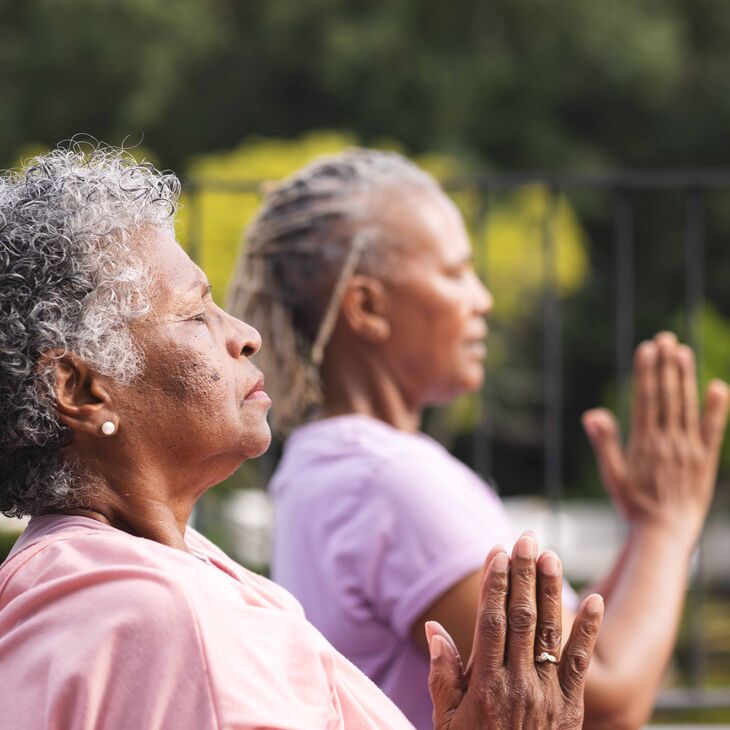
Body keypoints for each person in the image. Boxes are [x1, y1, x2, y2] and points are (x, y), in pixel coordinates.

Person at [0, 143, 603, 730]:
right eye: (195, 315)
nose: (244, 334)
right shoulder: (170, 617)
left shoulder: (88, 569)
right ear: (79, 389)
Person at [229, 148, 730, 730]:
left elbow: (572, 647)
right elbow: (603, 704)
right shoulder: (393, 482)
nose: (482, 298)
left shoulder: (327, 464)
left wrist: (647, 527)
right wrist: (670, 526)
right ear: (368, 307)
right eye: (455, 272)